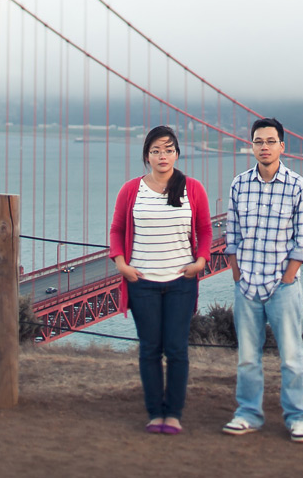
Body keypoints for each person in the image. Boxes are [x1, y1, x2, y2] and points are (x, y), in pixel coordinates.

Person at [110, 125, 213, 435]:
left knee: (177, 348)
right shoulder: (130, 190)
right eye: (156, 150)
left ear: (177, 154)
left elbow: (206, 230)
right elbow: (116, 230)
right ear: (147, 156)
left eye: (168, 150)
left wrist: (201, 262)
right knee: (150, 349)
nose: (162, 155)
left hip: (181, 282)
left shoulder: (193, 188)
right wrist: (121, 265)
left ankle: (174, 414)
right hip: (141, 282)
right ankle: (155, 413)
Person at [222, 116, 303, 444]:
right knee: (247, 357)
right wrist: (237, 274)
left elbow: (302, 242)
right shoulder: (238, 184)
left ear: (282, 146)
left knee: (291, 356)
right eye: (258, 141)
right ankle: (248, 413)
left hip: (282, 287)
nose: (264, 147)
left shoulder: (298, 186)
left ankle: (298, 417)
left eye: (270, 141)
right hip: (246, 286)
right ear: (251, 146)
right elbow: (231, 236)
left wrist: (287, 279)